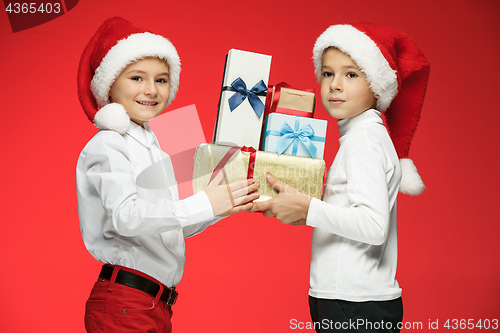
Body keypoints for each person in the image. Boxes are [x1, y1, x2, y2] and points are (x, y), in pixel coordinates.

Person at [76, 17, 260, 332]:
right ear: (108, 84)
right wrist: (205, 201)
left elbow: (171, 227)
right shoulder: (108, 143)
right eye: (137, 78)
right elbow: (127, 217)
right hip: (125, 302)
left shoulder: (158, 144)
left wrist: (227, 202)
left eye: (162, 80)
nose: (151, 90)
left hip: (156, 304)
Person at [250, 23, 430, 332]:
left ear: (377, 85)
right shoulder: (360, 137)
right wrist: (298, 207)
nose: (335, 84)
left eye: (351, 74)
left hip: (354, 303)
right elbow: (347, 213)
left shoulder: (364, 142)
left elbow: (374, 227)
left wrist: (309, 209)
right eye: (327, 73)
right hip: (350, 299)